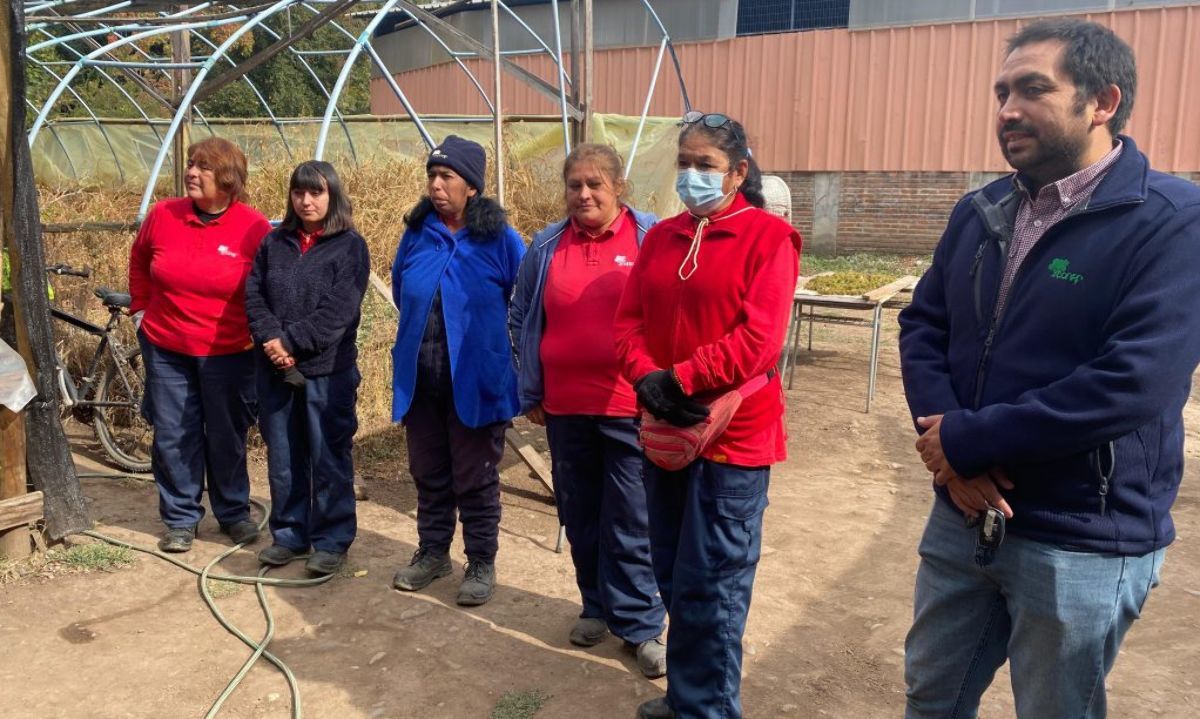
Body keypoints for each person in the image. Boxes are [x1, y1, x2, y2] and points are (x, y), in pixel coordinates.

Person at [898, 19, 1200, 718]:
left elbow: (1134, 379)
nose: (1007, 109)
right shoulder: (980, 210)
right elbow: (924, 326)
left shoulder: (1171, 220)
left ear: (1103, 101)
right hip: (963, 513)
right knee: (931, 698)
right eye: (1002, 91)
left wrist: (968, 441)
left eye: (1033, 89)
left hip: (1081, 533)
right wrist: (952, 457)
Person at [614, 112, 802, 719]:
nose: (692, 175)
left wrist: (682, 378)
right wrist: (645, 376)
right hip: (667, 428)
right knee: (671, 567)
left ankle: (708, 710)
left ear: (739, 171)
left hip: (733, 440)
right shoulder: (663, 237)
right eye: (685, 164)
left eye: (707, 165)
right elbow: (628, 322)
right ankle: (689, 696)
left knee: (715, 583)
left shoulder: (768, 239)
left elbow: (759, 341)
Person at [508, 144, 666, 678]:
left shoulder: (651, 238)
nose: (584, 194)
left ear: (619, 186)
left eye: (595, 183)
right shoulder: (547, 244)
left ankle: (642, 625)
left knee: (631, 517)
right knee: (580, 511)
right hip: (565, 407)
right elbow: (521, 314)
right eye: (575, 185)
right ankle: (595, 605)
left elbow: (671, 315)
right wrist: (532, 388)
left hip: (629, 406)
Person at [390, 136, 526, 606]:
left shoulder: (500, 238)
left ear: (472, 186)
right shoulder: (417, 233)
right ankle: (432, 553)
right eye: (432, 175)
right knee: (428, 471)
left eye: (446, 176)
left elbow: (524, 299)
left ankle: (481, 561)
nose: (436, 184)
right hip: (421, 378)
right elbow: (400, 285)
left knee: (476, 476)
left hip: (477, 380)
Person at [129, 137, 271, 553]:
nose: (191, 172)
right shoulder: (163, 215)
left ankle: (232, 514)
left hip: (229, 351)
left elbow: (267, 286)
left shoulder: (254, 227)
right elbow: (139, 260)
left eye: (203, 167)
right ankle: (180, 518)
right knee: (173, 433)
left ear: (228, 179)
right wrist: (140, 309)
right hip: (167, 345)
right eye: (191, 164)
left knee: (226, 435)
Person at [244, 161, 370, 576]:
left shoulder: (349, 246)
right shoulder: (273, 243)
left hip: (326, 372)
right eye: (299, 192)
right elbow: (254, 295)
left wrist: (292, 342)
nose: (306, 200)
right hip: (275, 369)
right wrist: (272, 341)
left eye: (316, 192)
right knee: (284, 456)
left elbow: (339, 312)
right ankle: (290, 535)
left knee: (328, 456)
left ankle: (332, 541)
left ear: (332, 196)